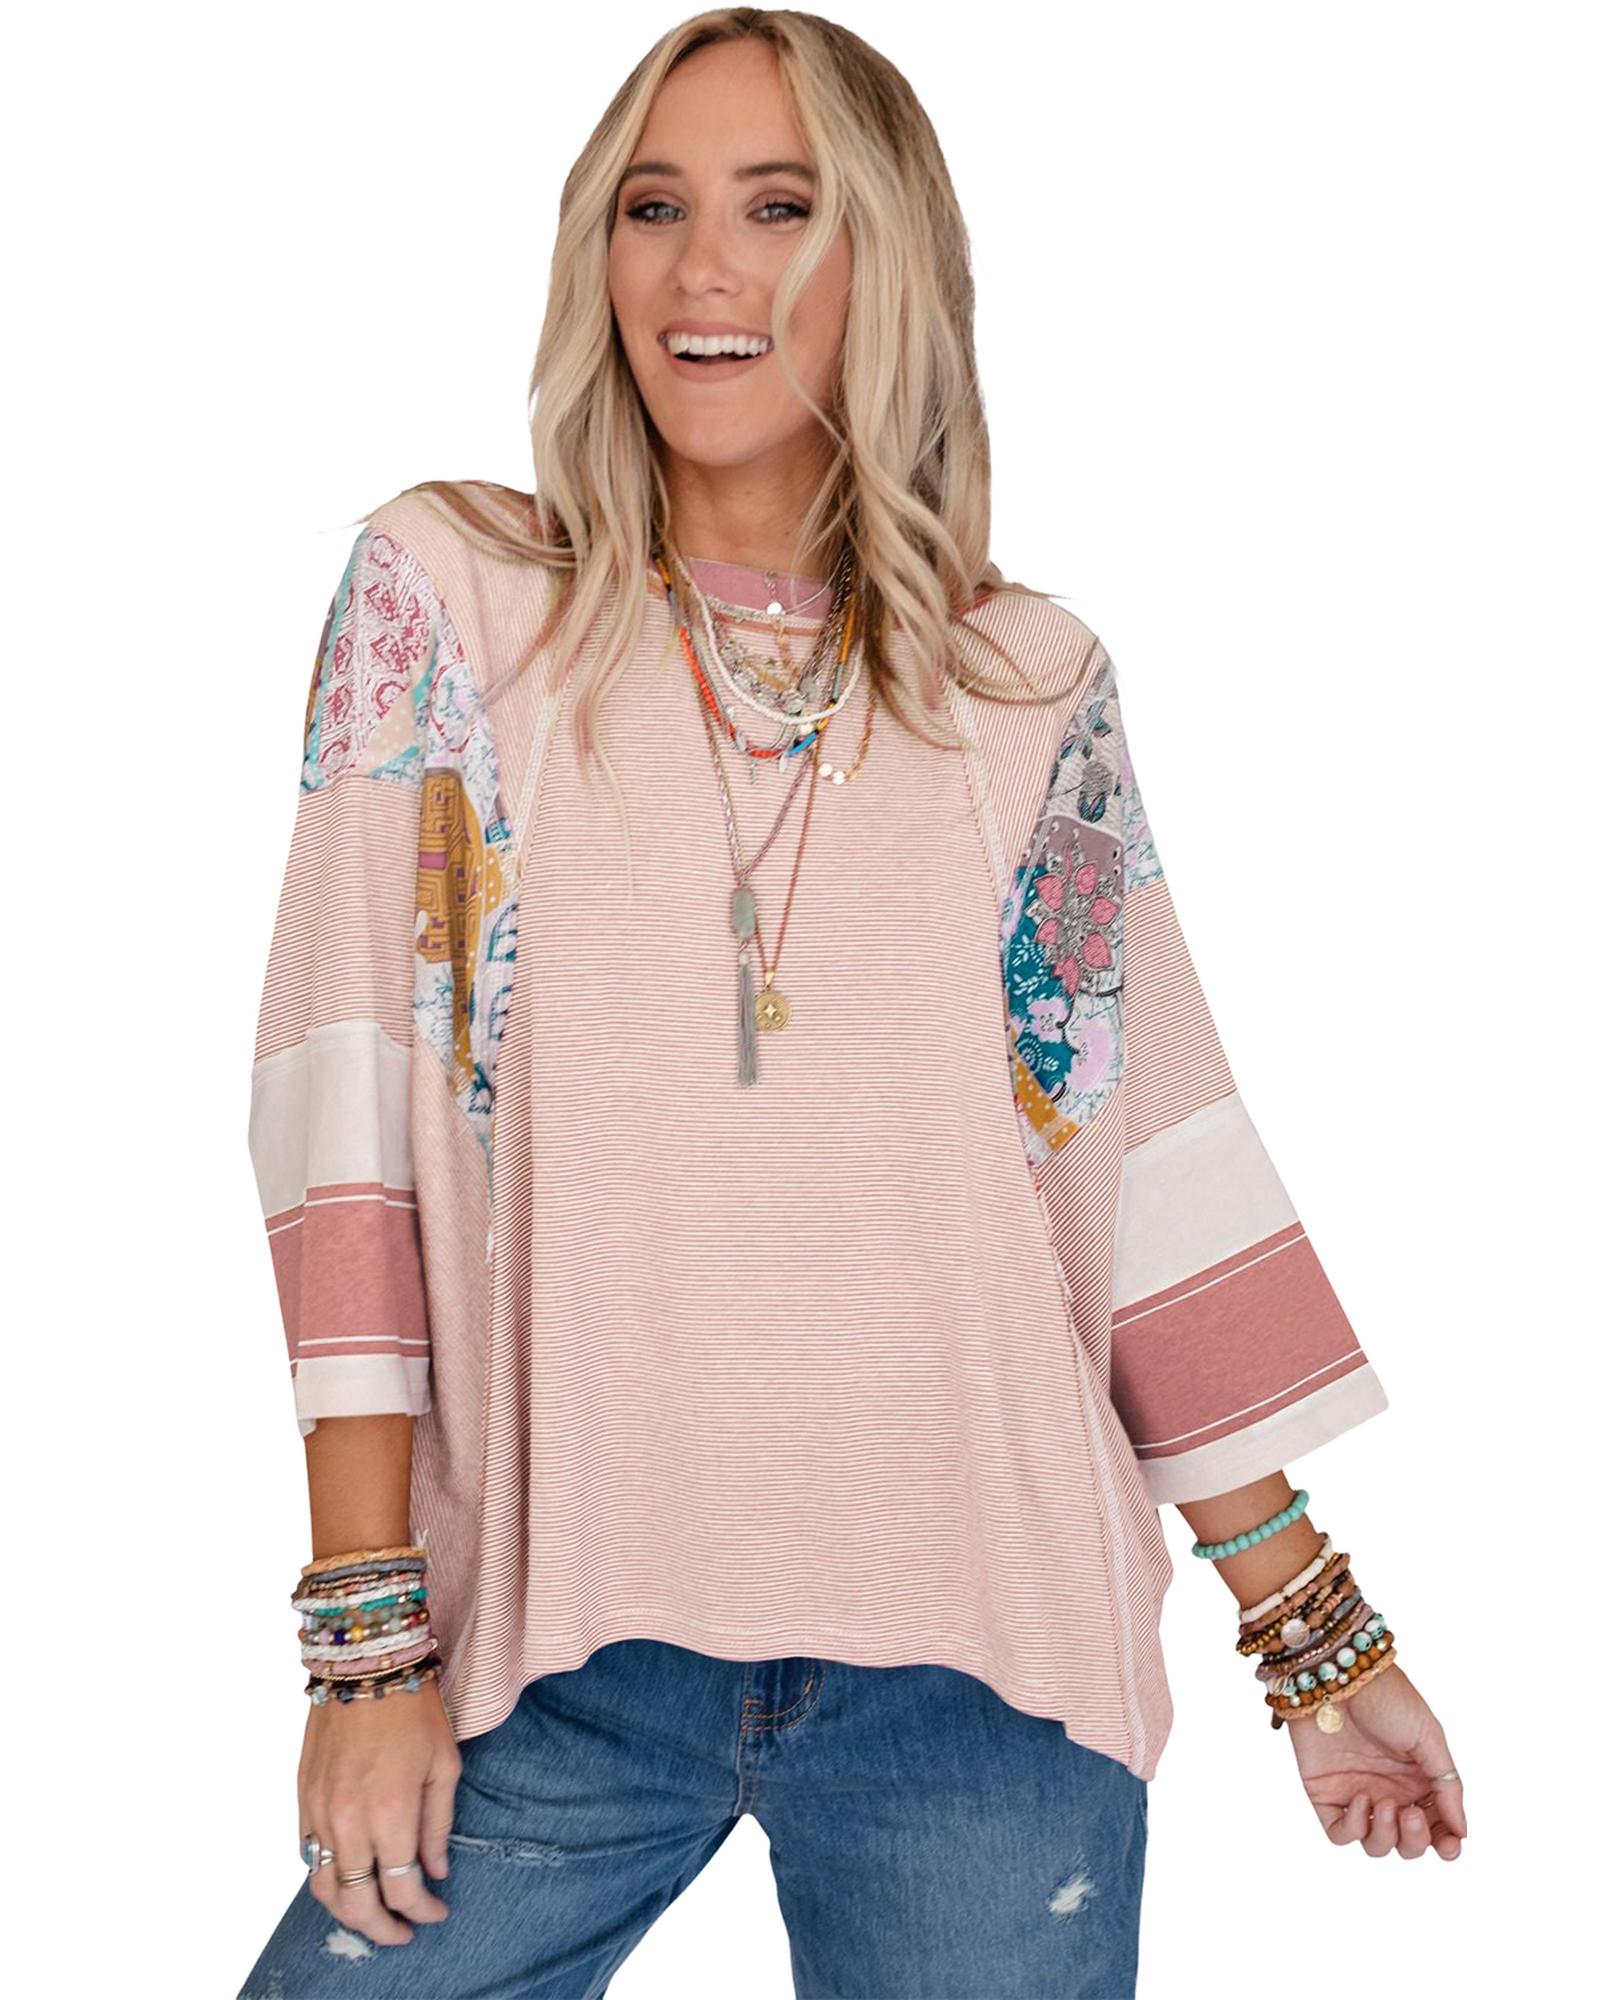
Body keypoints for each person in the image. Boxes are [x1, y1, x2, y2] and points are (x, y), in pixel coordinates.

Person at [237, 10, 1467, 1996]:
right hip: (554, 1642)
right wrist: (365, 1650)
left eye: (777, 208)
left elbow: (1123, 1176)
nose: (699, 270)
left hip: (981, 1667)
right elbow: (342, 1111)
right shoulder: (456, 606)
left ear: (881, 261)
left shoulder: (1022, 687)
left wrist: (1313, 1637)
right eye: (652, 208)